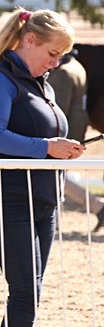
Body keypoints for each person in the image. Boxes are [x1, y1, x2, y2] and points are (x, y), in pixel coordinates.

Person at [0, 9, 84, 327]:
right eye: (53, 53)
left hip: (42, 200)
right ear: (29, 40)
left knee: (28, 291)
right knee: (24, 290)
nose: (56, 62)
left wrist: (61, 148)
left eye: (61, 57)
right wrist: (48, 147)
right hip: (5, 197)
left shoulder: (41, 85)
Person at [47, 50, 104, 230]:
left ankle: (97, 206)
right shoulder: (76, 66)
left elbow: (57, 109)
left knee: (52, 172)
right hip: (77, 125)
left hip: (66, 129)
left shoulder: (63, 72)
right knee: (55, 174)